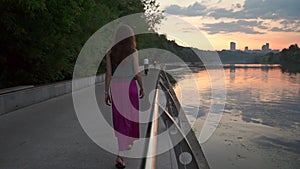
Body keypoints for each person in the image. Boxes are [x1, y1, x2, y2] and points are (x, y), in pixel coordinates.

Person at [104, 25, 144, 169]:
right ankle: (120, 155)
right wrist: (142, 87)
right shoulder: (133, 52)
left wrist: (106, 92)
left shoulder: (110, 53)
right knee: (130, 118)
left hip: (117, 89)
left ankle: (124, 146)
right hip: (131, 88)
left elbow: (109, 74)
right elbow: (137, 72)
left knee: (121, 120)